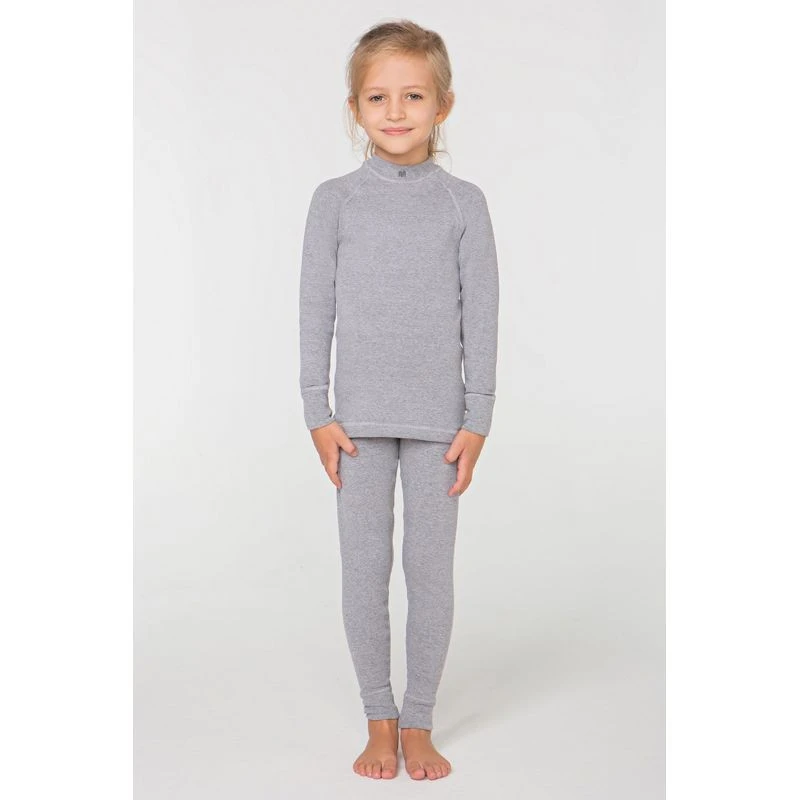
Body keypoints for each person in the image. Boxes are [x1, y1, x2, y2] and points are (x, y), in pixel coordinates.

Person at [298, 19, 499, 781]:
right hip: (355, 426)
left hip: (440, 425)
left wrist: (478, 417)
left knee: (430, 575)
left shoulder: (463, 203)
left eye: (413, 95)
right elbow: (315, 308)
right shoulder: (336, 202)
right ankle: (378, 717)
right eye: (378, 96)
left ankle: (419, 721)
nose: (395, 111)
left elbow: (482, 313)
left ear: (443, 105)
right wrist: (317, 411)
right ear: (354, 107)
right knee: (364, 572)